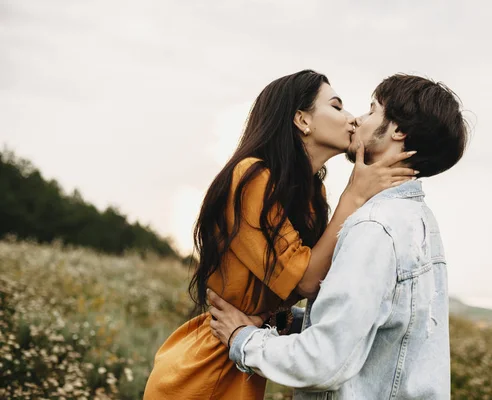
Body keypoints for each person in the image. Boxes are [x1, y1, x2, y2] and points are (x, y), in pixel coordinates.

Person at [143, 70, 417, 399]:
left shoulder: (313, 196)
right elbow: (304, 281)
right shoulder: (252, 177)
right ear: (302, 120)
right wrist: (354, 196)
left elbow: (309, 286)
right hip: (204, 369)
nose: (352, 119)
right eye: (337, 106)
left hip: (242, 355)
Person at [207, 73, 469, 399]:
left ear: (399, 131)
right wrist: (289, 321)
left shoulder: (375, 228)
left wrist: (241, 337)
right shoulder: (420, 222)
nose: (356, 119)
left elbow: (322, 362)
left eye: (371, 111)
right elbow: (381, 328)